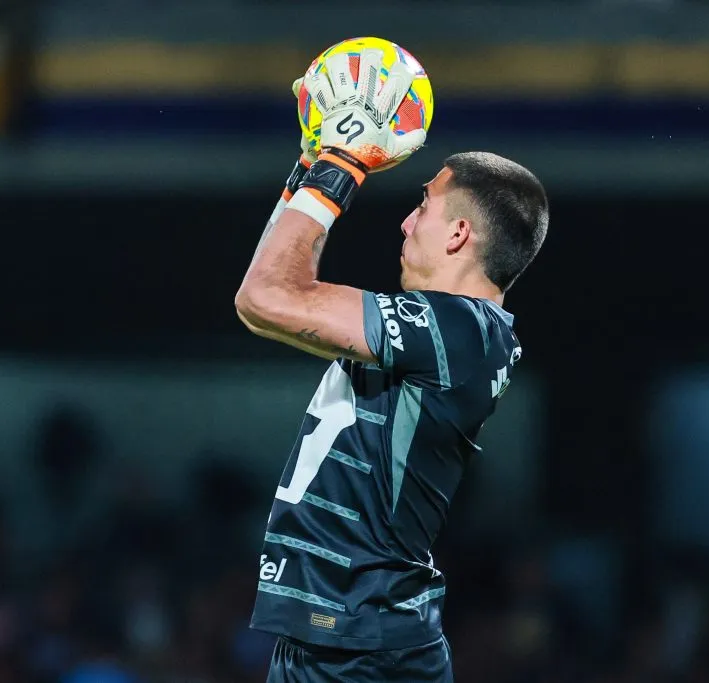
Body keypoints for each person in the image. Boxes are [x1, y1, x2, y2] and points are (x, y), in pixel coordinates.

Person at [234, 48, 549, 682]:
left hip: (360, 644)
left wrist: (340, 164)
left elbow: (268, 297)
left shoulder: (458, 331)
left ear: (459, 233)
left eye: (424, 206)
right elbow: (261, 304)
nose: (405, 222)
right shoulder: (456, 334)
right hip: (346, 634)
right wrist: (308, 170)